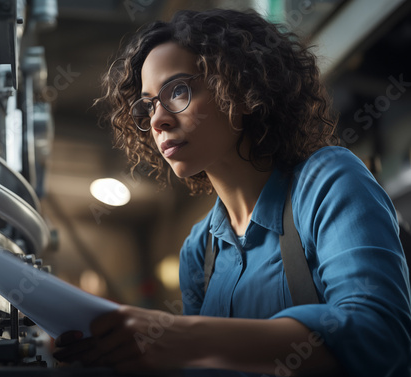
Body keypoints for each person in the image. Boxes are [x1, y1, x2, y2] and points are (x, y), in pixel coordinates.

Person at [53, 8, 411, 376]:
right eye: (148, 105)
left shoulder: (328, 181)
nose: (157, 119)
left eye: (178, 91)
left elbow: (381, 338)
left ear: (239, 89)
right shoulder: (199, 249)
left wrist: (178, 337)